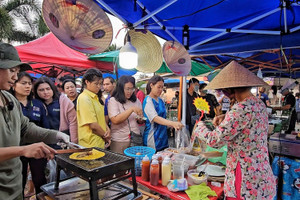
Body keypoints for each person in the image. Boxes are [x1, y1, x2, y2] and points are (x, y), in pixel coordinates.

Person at [191, 61, 276, 199]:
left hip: (245, 179)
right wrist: (226, 116)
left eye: (224, 90)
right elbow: (247, 122)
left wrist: (200, 126)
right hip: (262, 174)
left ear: (231, 89)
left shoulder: (240, 110)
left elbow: (214, 140)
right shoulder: (259, 104)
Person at [0, 42, 69, 199]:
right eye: (12, 71)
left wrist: (56, 135)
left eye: (17, 72)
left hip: (14, 184)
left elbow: (26, 128)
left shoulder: (9, 99)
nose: (15, 77)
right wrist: (23, 150)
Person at [11, 72, 50, 196]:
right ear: (14, 85)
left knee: (39, 179)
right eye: (23, 83)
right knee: (19, 181)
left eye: (29, 83)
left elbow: (45, 127)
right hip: (15, 150)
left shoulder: (37, 104)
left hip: (36, 148)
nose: (28, 86)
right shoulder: (9, 104)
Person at [143, 75, 183, 151]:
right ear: (151, 85)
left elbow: (164, 117)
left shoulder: (161, 100)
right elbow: (155, 118)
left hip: (163, 137)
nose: (161, 89)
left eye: (162, 87)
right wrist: (172, 123)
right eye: (159, 87)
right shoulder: (148, 100)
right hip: (153, 138)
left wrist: (172, 125)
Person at [34, 77, 78, 144]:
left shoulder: (64, 101)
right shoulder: (34, 104)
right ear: (36, 92)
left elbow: (73, 123)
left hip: (62, 140)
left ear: (53, 89)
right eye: (41, 90)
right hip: (42, 141)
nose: (45, 92)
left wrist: (73, 143)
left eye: (48, 89)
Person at [108, 76, 144, 154]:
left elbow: (140, 121)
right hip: (120, 140)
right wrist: (131, 110)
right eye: (127, 89)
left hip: (135, 138)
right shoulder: (113, 101)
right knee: (120, 164)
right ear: (120, 88)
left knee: (135, 164)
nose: (130, 92)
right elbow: (115, 120)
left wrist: (140, 119)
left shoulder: (136, 101)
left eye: (132, 89)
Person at [77, 68, 111, 148]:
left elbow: (100, 118)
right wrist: (106, 136)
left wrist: (108, 129)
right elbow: (93, 125)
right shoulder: (84, 98)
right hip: (90, 144)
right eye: (96, 84)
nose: (99, 87)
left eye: (100, 84)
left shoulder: (95, 97)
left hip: (99, 142)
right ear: (87, 82)